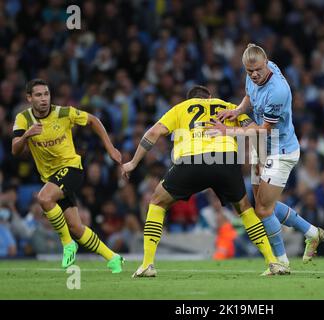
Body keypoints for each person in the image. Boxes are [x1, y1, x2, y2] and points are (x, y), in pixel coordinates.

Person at [122, 85, 289, 277]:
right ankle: (272, 262)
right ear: (210, 97)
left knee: (157, 201)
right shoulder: (228, 106)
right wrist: (259, 161)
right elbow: (254, 131)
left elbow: (153, 133)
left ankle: (147, 265)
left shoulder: (180, 108)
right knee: (244, 208)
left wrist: (133, 163)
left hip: (191, 160)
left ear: (189, 99)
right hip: (226, 160)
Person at [214, 43, 324, 270]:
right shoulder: (255, 71)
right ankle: (313, 233)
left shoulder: (278, 91)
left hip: (281, 150)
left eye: (258, 70)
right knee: (264, 204)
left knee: (263, 210)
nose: (254, 75)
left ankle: (281, 262)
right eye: (249, 71)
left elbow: (264, 128)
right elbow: (249, 95)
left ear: (266, 63)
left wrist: (230, 132)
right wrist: (236, 111)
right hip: (262, 147)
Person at [11, 79, 124, 273]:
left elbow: (93, 120)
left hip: (72, 168)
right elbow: (15, 149)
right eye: (38, 95)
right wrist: (26, 136)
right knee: (76, 227)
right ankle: (113, 258)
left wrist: (110, 148)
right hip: (51, 177)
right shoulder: (23, 119)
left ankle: (67, 244)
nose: (44, 99)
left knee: (44, 198)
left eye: (46, 94)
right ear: (29, 98)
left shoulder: (63, 113)